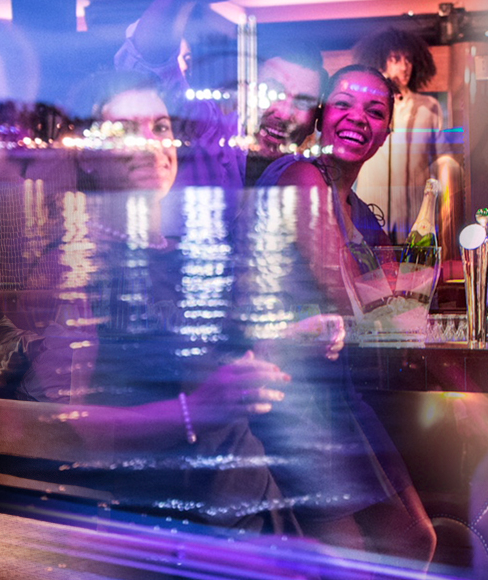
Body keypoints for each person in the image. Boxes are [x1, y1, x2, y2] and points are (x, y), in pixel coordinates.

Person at [22, 70, 296, 535]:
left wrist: (287, 344)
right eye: (126, 130)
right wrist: (197, 409)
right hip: (167, 526)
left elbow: (220, 367)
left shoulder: (182, 253)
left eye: (161, 127)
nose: (152, 144)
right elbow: (60, 429)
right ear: (88, 155)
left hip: (249, 499)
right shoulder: (75, 266)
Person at [252, 64, 438, 565]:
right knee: (349, 563)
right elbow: (347, 292)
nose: (358, 118)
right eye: (344, 104)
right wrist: (401, 297)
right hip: (289, 396)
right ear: (321, 116)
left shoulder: (357, 208)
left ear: (386, 133)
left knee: (414, 540)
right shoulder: (300, 177)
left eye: (374, 111)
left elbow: (395, 293)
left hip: (335, 394)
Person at [116, 0, 327, 192]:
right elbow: (151, 64)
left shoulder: (310, 176)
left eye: (302, 102)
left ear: (314, 121)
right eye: (273, 91)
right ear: (245, 92)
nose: (283, 113)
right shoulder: (210, 132)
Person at [352, 27, 448, 245]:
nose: (404, 67)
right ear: (380, 61)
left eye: (409, 60)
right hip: (371, 214)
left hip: (416, 217)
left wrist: (442, 208)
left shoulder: (429, 107)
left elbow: (440, 161)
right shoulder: (365, 105)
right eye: (396, 59)